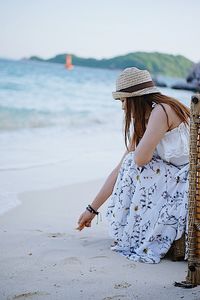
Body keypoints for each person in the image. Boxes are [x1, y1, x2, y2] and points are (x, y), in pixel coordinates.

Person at [76, 67, 190, 263]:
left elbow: (139, 160)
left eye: (122, 100)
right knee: (128, 162)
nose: (122, 107)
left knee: (132, 161)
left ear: (134, 98)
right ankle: (133, 230)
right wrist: (92, 209)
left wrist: (138, 139)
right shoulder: (150, 117)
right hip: (176, 180)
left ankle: (134, 231)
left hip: (189, 180)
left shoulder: (161, 111)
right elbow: (119, 168)